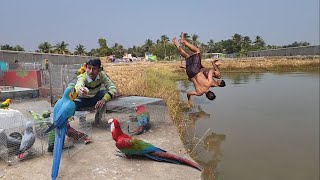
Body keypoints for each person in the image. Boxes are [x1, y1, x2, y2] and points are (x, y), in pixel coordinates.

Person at [173, 32, 225, 105]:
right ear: (206, 96)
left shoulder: (209, 83)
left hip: (195, 70)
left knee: (197, 51)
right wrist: (189, 100)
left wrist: (215, 67)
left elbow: (210, 71)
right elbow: (188, 93)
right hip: (189, 73)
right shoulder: (199, 93)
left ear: (212, 92)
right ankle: (177, 45)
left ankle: (184, 42)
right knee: (186, 57)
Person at [75, 58, 117, 125]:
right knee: (72, 104)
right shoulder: (82, 77)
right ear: (86, 68)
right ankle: (81, 119)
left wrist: (103, 100)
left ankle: (98, 119)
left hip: (95, 98)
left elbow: (112, 88)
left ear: (99, 69)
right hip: (82, 100)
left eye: (94, 69)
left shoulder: (102, 75)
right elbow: (78, 85)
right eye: (89, 68)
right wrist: (81, 89)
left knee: (104, 93)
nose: (91, 71)